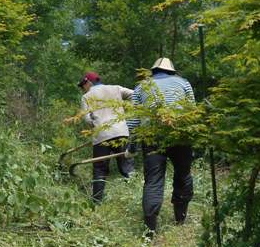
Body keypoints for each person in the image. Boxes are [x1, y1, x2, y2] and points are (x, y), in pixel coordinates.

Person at [126, 58, 196, 236]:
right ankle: (180, 219)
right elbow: (193, 114)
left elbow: (133, 121)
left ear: (153, 71)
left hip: (152, 138)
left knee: (153, 181)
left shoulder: (141, 87)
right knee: (183, 175)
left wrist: (132, 147)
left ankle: (150, 230)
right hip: (180, 135)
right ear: (171, 71)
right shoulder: (184, 83)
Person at [78, 71, 134, 204]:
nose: (82, 88)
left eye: (82, 85)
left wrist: (97, 123)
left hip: (102, 135)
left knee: (99, 169)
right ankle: (135, 194)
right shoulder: (116, 88)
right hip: (121, 132)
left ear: (88, 82)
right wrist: (127, 112)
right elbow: (135, 95)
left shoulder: (86, 97)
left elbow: (86, 119)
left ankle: (97, 202)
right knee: (126, 165)